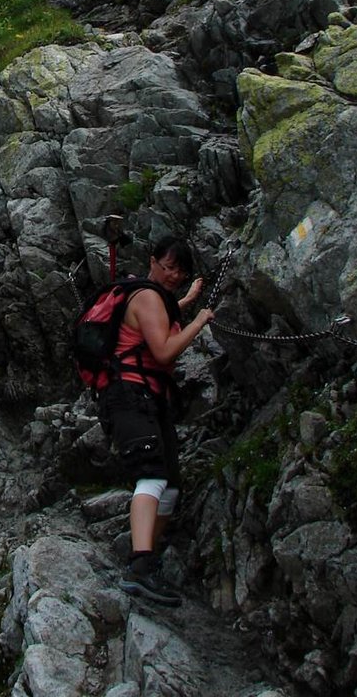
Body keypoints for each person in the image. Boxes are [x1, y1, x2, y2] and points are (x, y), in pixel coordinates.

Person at [95, 236, 214, 605]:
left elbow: (155, 324)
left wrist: (187, 302)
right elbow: (162, 351)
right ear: (153, 262)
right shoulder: (146, 296)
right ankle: (140, 566)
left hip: (148, 398)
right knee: (152, 475)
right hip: (130, 395)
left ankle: (148, 557)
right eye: (168, 267)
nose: (174, 275)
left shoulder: (153, 299)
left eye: (180, 270)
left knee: (171, 485)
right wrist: (198, 322)